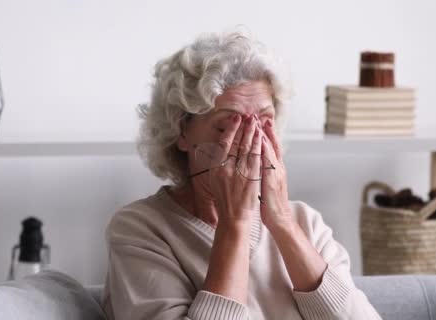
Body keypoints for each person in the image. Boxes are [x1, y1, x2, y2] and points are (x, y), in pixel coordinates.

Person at [102, 29, 382, 320]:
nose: (253, 142)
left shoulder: (306, 224)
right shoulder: (140, 230)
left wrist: (283, 223)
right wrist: (235, 223)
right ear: (182, 132)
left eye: (264, 122)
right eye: (228, 127)